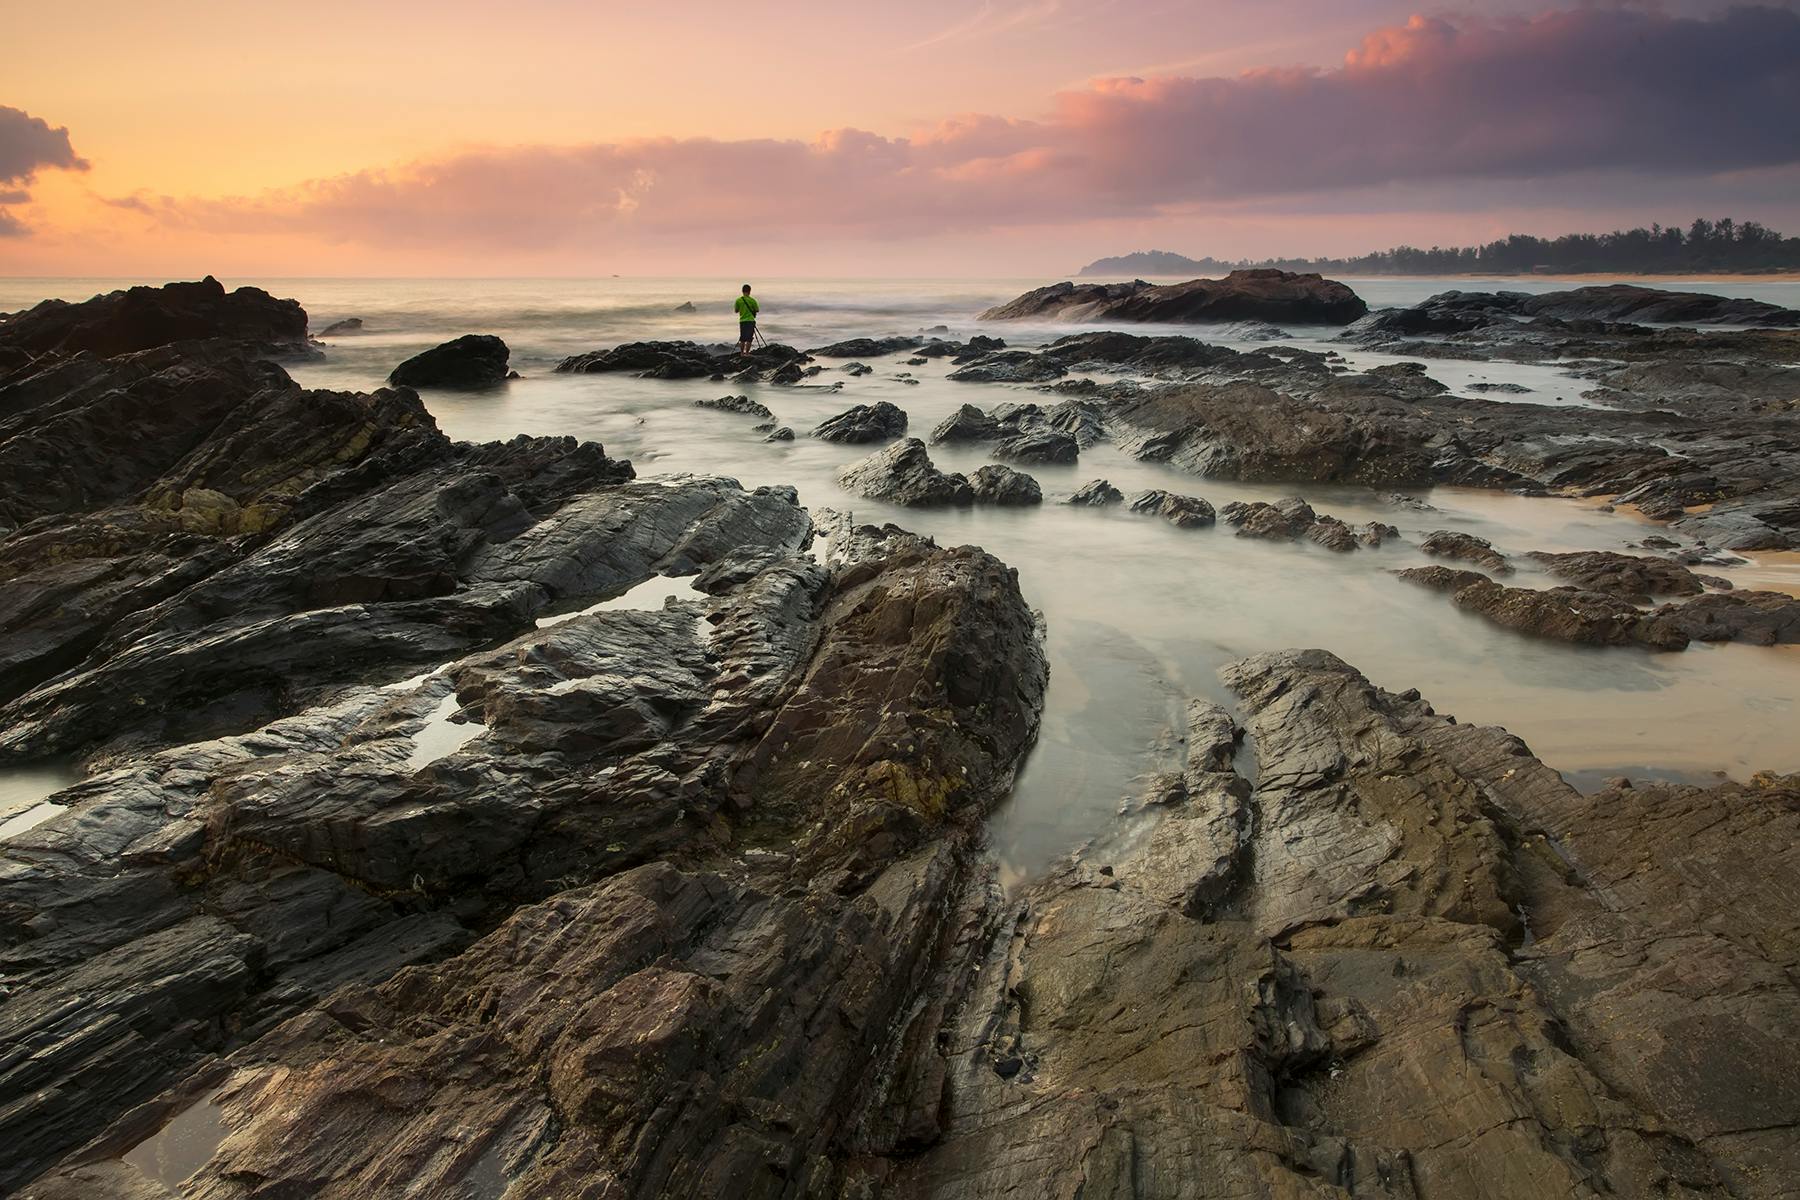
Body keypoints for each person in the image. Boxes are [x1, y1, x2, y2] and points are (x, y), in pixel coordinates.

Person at [734, 284, 760, 355]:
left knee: (742, 338)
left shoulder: (738, 300)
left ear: (742, 291)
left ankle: (742, 353)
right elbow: (757, 310)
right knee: (749, 338)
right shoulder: (752, 300)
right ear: (749, 291)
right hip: (750, 321)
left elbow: (736, 310)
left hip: (742, 321)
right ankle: (747, 353)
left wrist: (742, 309)